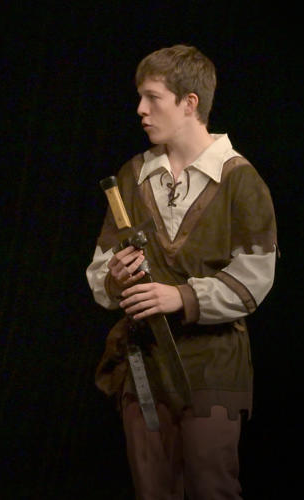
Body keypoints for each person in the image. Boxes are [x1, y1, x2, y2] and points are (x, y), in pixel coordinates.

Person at [86, 45, 277, 498]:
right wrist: (117, 277)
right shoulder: (133, 176)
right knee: (153, 489)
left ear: (190, 103)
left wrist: (182, 297)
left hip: (212, 366)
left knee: (211, 486)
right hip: (145, 364)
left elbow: (255, 277)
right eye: (140, 97)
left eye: (153, 97)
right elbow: (100, 270)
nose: (140, 109)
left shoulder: (238, 179)